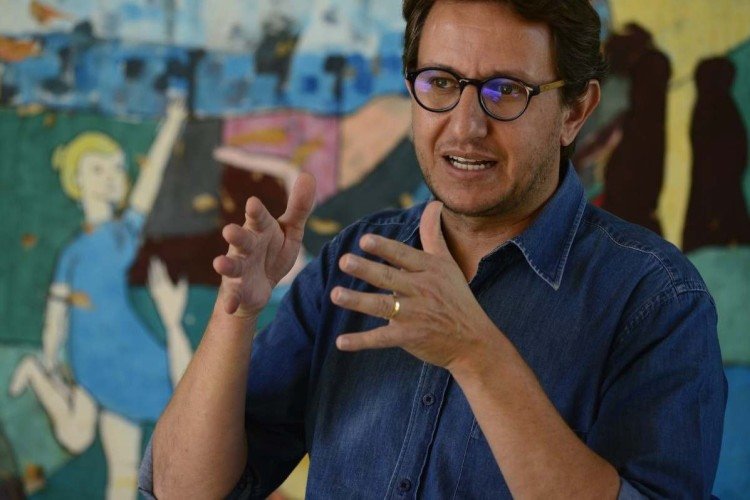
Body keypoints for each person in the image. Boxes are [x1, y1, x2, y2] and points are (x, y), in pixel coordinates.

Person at [139, 1, 727, 498]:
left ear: (575, 111)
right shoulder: (355, 261)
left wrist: (477, 355)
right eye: (441, 83)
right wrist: (236, 314)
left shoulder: (656, 299)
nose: (466, 126)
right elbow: (184, 490)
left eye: (507, 91)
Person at [10, 98, 190, 500]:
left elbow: (150, 180)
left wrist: (173, 122)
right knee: (77, 436)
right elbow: (56, 312)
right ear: (76, 180)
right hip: (91, 358)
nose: (109, 177)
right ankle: (35, 373)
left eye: (115, 169)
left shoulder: (123, 234)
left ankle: (37, 374)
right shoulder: (75, 251)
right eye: (97, 169)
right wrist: (49, 357)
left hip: (127, 354)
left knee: (124, 472)